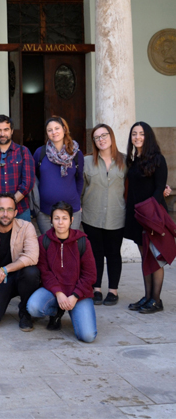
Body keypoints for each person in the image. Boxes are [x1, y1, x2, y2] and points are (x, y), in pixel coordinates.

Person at [27, 201, 97, 343]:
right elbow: (44, 272)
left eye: (64, 218)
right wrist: (59, 294)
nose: (60, 222)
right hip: (54, 292)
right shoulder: (44, 241)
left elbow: (90, 274)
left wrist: (75, 296)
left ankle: (74, 311)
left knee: (88, 336)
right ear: (51, 220)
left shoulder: (82, 241)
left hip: (78, 294)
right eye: (56, 218)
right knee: (33, 307)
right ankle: (57, 311)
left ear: (71, 220)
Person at [0, 193, 40, 331]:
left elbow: (32, 256)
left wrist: (4, 270)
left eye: (9, 209)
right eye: (1, 209)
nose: (5, 214)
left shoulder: (27, 227)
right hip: (0, 281)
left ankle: (25, 312)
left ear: (15, 212)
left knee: (31, 272)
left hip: (21, 277)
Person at [125, 122, 169, 314]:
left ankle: (156, 300)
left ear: (148, 136)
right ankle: (147, 296)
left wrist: (148, 212)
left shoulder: (158, 159)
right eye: (134, 134)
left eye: (141, 134)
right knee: (145, 257)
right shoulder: (134, 161)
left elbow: (160, 189)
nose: (137, 137)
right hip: (137, 217)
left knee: (155, 258)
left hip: (152, 216)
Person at [81, 124, 127, 306]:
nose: (101, 139)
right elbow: (81, 187)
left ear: (111, 136)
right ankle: (96, 288)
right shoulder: (86, 161)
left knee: (114, 253)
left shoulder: (125, 161)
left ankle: (113, 290)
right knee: (95, 254)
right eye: (97, 137)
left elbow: (137, 184)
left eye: (104, 135)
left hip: (116, 215)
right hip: (92, 215)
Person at [0, 114, 36, 226]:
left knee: (22, 242)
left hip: (20, 210)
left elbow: (28, 182)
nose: (2, 134)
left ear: (12, 131)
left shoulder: (23, 152)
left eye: (6, 130)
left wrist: (11, 202)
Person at [32, 116, 85, 234]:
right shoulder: (40, 153)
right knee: (48, 247)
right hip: (45, 211)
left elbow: (80, 179)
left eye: (57, 128)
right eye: (50, 130)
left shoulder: (76, 154)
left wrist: (77, 200)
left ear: (64, 129)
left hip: (72, 210)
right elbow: (34, 178)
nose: (54, 132)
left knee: (69, 247)